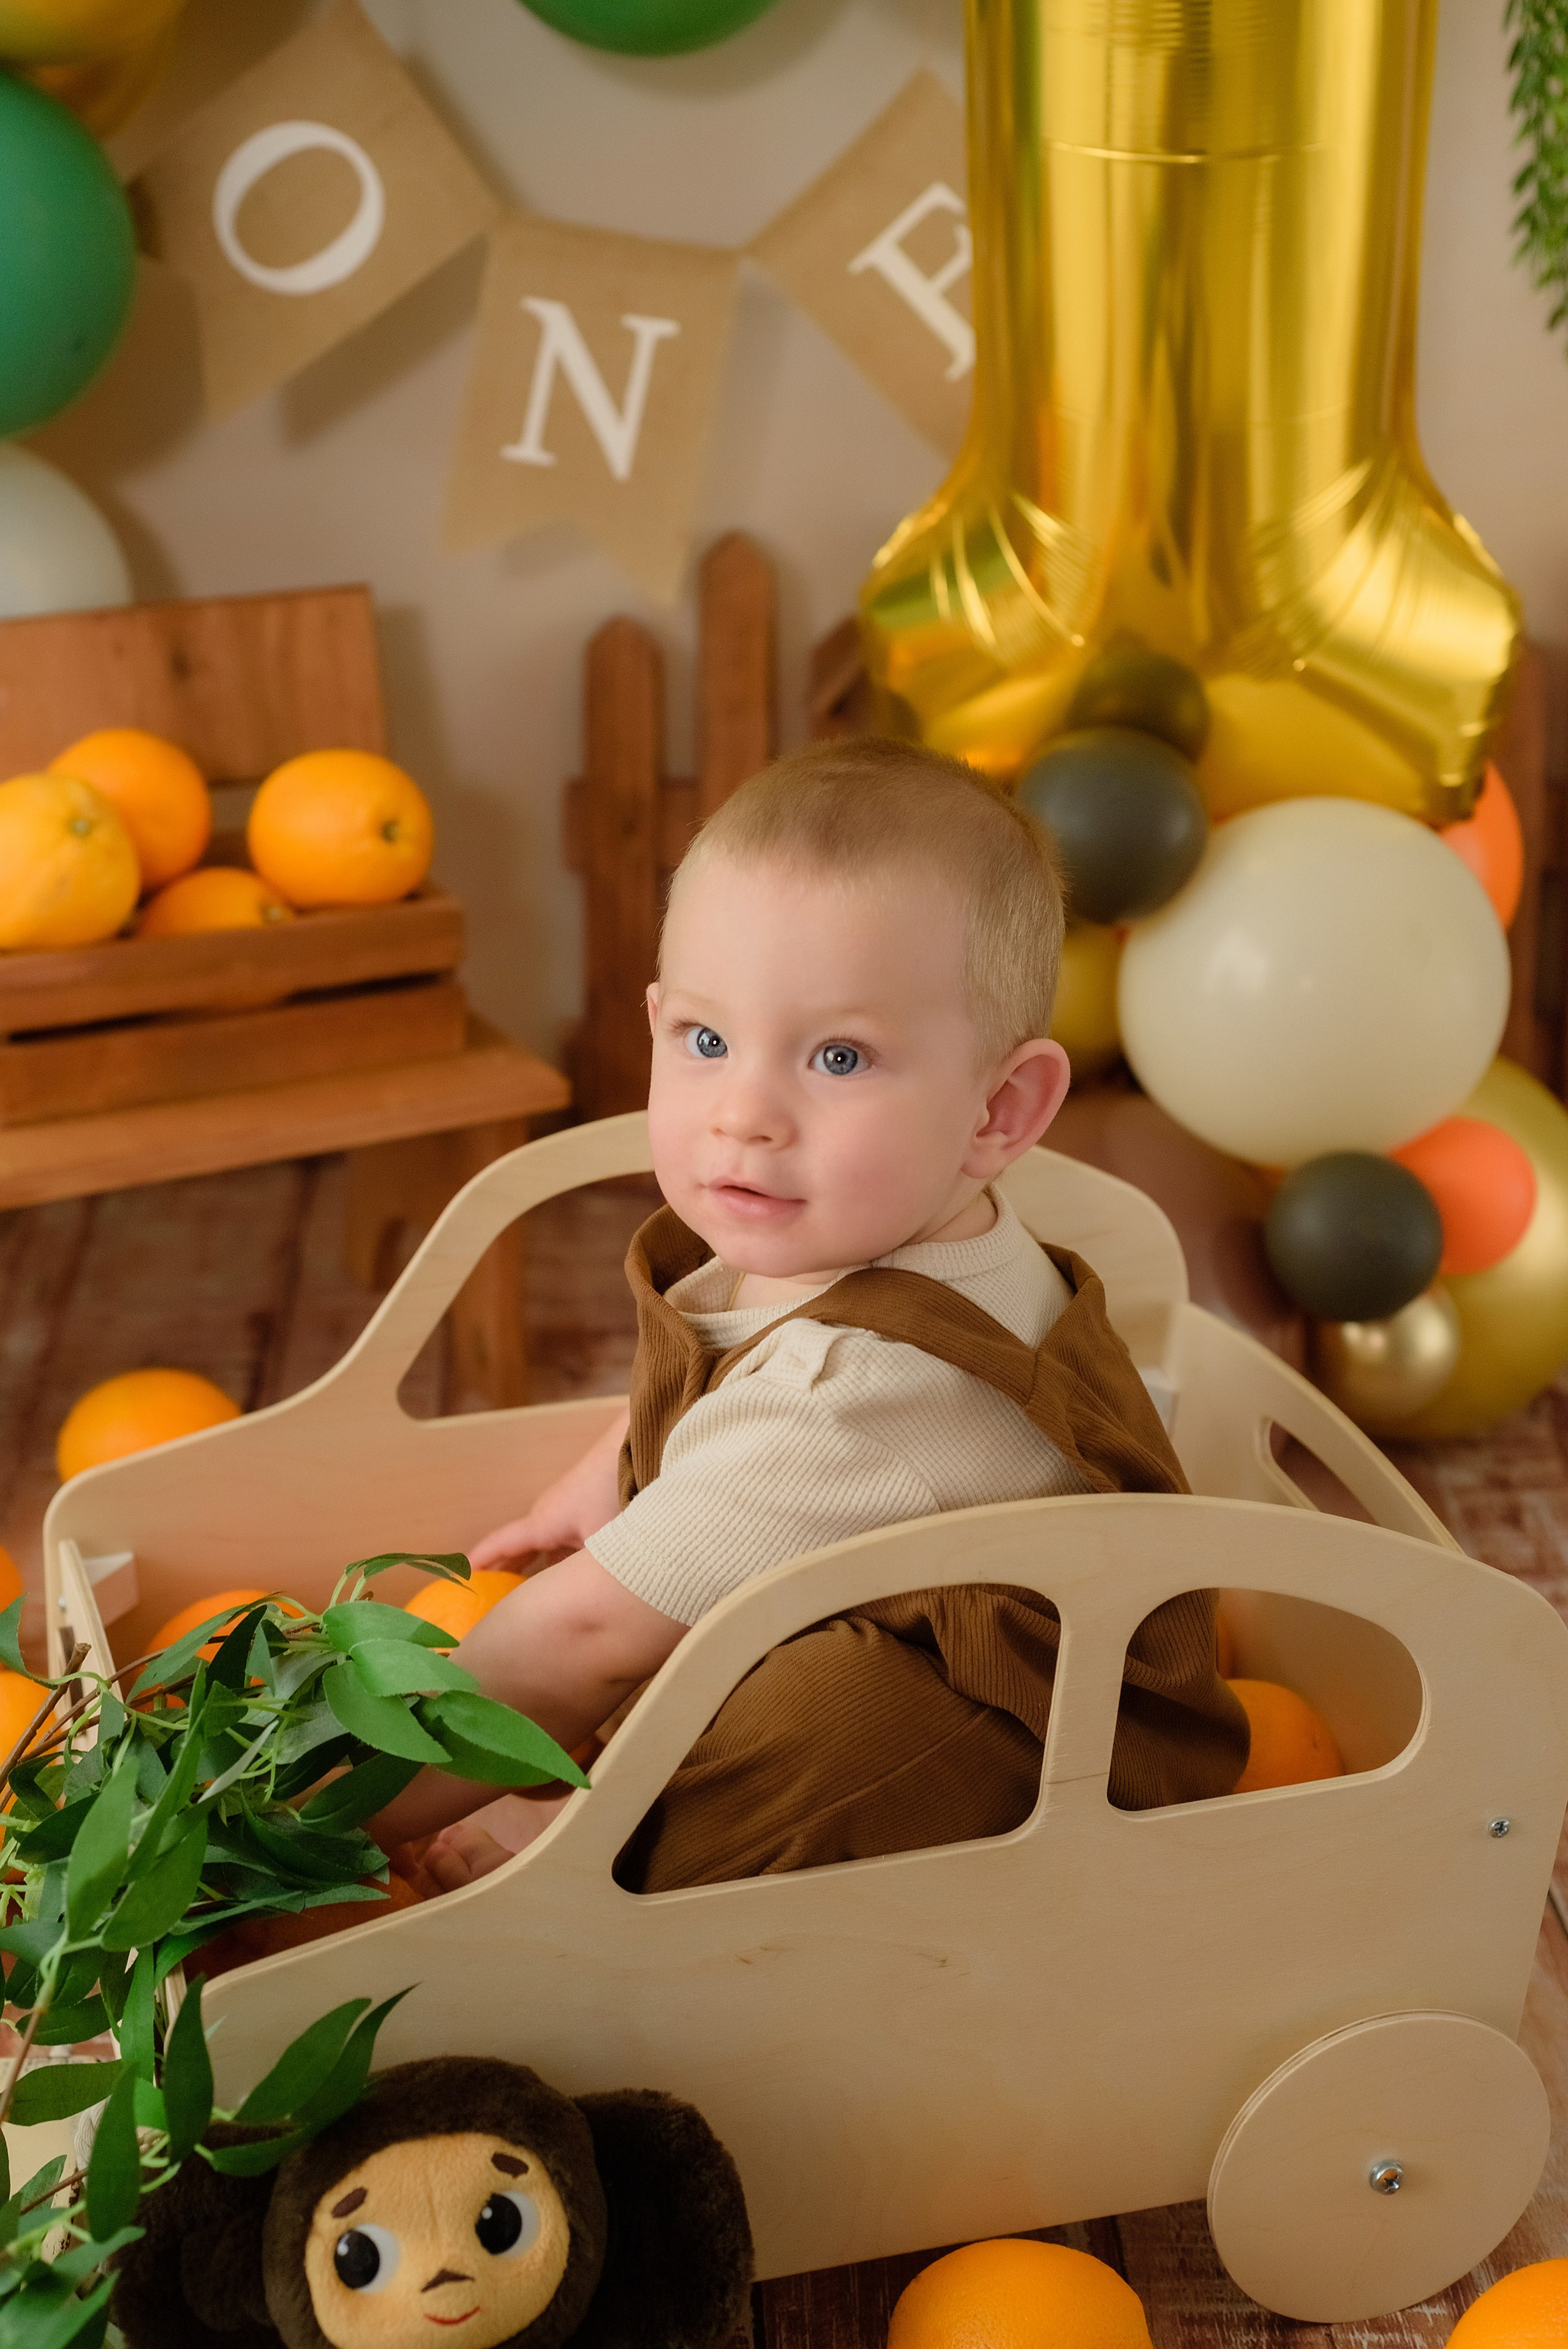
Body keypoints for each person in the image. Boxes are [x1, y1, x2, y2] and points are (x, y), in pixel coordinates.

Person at [372, 738, 1248, 1894]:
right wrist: (611, 1470)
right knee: (682, 1655)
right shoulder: (868, 1221)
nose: (745, 1113)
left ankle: (588, 1885)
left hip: (1052, 1746)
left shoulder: (856, 1394)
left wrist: (305, 1815)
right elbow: (747, 1369)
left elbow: (571, 1646)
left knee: (811, 1725)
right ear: (653, 1023)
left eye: (839, 1056)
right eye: (706, 1040)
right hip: (912, 1596)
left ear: (1001, 1106)